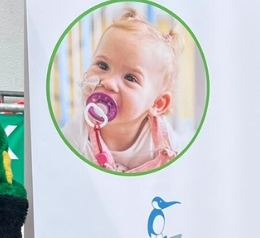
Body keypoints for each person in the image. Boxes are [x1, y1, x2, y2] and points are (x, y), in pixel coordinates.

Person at [62, 10, 184, 172]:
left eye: (130, 78)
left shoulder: (166, 143)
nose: (108, 83)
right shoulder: (76, 135)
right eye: (103, 66)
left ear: (157, 103)